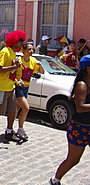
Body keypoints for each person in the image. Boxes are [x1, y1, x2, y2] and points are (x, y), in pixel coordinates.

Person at [49, 55, 90, 185]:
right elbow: (80, 107)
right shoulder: (82, 85)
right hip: (80, 128)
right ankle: (55, 180)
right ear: (88, 69)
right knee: (73, 159)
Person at [15, 42, 44, 140]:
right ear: (23, 50)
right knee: (26, 108)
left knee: (17, 109)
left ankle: (9, 128)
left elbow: (42, 72)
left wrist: (40, 65)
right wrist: (17, 82)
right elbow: (12, 74)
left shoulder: (33, 60)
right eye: (29, 49)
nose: (31, 51)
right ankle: (20, 129)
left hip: (26, 87)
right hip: (18, 87)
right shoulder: (18, 60)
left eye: (32, 49)